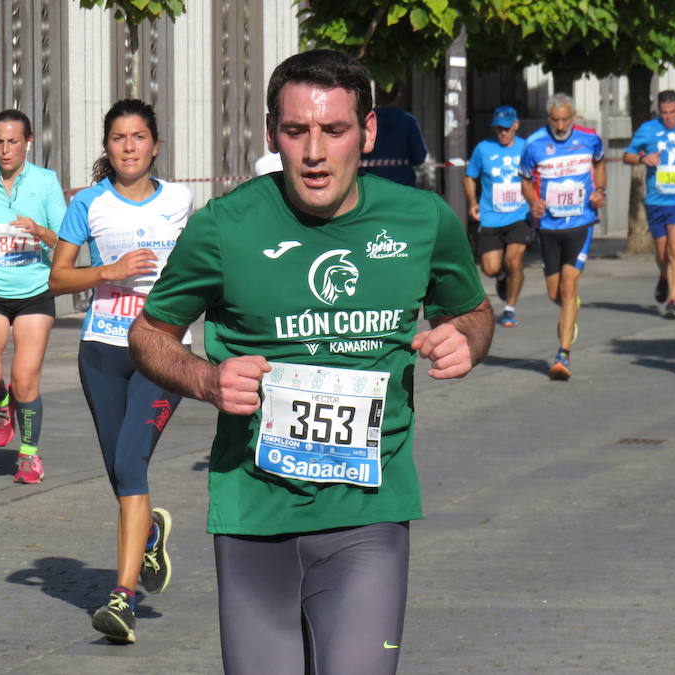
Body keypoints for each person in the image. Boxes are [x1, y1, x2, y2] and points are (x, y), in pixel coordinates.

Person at [128, 50, 493, 674]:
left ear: (368, 132)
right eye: (296, 132)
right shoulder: (224, 226)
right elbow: (149, 334)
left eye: (334, 130)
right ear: (273, 134)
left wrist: (466, 339)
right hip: (253, 514)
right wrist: (207, 379)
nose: (315, 152)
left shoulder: (422, 220)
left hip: (368, 516)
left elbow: (473, 314)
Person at [48, 99, 192, 645]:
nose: (128, 146)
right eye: (118, 138)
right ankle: (149, 529)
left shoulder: (180, 199)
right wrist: (108, 271)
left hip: (161, 350)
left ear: (155, 145)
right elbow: (57, 279)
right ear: (106, 147)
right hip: (102, 352)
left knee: (131, 465)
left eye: (138, 137)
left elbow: (200, 264)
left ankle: (122, 598)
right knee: (119, 473)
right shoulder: (88, 204)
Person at [0, 109, 66, 484]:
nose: (5, 150)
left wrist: (38, 230)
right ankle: (2, 403)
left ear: (28, 142)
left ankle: (29, 456)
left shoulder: (46, 182)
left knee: (25, 378)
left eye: (13, 142)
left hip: (35, 291)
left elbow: (66, 239)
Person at [520, 93, 605, 381]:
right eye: (555, 120)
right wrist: (533, 201)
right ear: (548, 119)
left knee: (569, 287)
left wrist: (599, 191)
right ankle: (571, 308)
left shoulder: (590, 138)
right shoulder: (533, 145)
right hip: (549, 227)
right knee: (554, 292)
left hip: (581, 223)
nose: (560, 125)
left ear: (574, 117)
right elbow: (525, 180)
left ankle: (562, 354)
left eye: (565, 119)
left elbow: (599, 163)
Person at [464, 105, 532, 326]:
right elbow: (470, 176)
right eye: (498, 129)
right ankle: (502, 276)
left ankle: (510, 309)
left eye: (506, 128)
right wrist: (473, 202)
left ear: (515, 126)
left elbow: (536, 176)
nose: (502, 133)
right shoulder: (483, 149)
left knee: (515, 260)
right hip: (491, 216)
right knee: (490, 268)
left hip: (519, 215)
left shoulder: (526, 148)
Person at [623, 90, 675, 320]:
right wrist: (643, 158)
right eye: (664, 113)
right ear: (658, 112)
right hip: (656, 201)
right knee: (662, 254)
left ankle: (673, 300)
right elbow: (627, 155)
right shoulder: (648, 130)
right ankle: (664, 275)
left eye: (672, 112)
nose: (668, 117)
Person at [360, 83, 428, 186]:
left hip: (370, 187)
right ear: (398, 96)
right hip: (402, 187)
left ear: (376, 95)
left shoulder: (366, 121)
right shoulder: (408, 122)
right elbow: (419, 157)